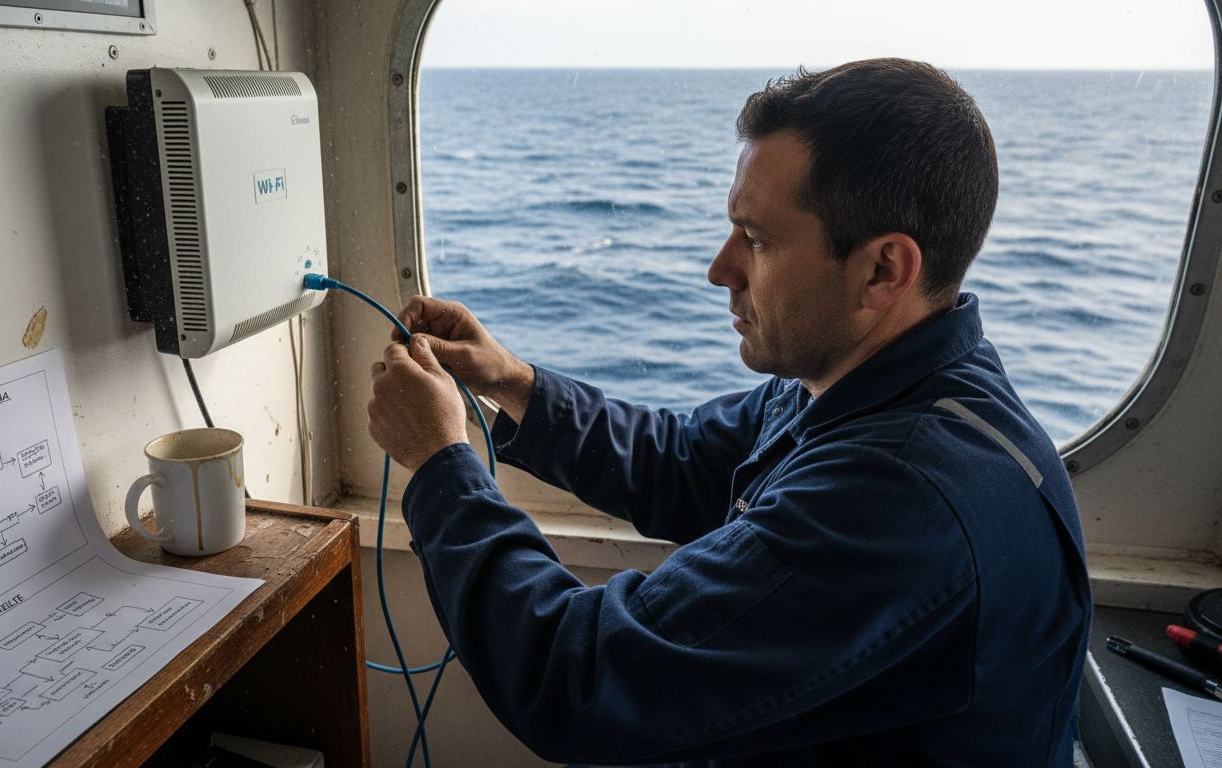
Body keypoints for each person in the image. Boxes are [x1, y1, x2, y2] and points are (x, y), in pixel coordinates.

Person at [367, 58, 1091, 767]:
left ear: (881, 270)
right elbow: (685, 463)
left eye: (758, 240)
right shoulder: (860, 382)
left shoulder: (901, 498)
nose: (719, 268)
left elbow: (578, 680)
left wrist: (440, 463)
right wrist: (513, 382)